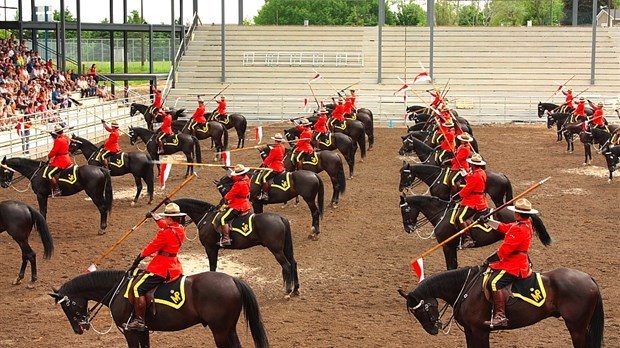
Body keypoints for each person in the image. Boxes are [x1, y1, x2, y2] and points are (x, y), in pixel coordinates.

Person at [125, 203, 187, 331]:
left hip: (163, 268)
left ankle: (139, 320)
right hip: (174, 265)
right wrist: (155, 217)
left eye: (166, 218)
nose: (164, 220)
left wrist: (138, 259)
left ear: (170, 219)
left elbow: (151, 247)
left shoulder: (165, 233)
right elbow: (167, 226)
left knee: (137, 288)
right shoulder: (180, 228)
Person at [482, 198, 539, 328]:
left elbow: (504, 251)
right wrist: (488, 221)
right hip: (517, 260)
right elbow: (505, 227)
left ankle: (500, 316)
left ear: (517, 214)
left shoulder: (519, 229)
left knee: (495, 282)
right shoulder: (525, 224)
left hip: (514, 264)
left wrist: (489, 259)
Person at [455, 153, 488, 249]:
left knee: (459, 218)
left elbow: (467, 189)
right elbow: (471, 181)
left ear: (472, 165)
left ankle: (468, 238)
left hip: (473, 201)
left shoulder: (475, 175)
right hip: (479, 198)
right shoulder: (481, 172)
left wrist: (457, 196)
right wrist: (465, 175)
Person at [215, 164, 252, 246]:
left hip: (238, 205)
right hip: (245, 203)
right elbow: (234, 177)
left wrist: (224, 199)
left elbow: (229, 195)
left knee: (223, 219)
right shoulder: (246, 178)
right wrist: (227, 170)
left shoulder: (238, 184)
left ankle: (226, 238)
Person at [44, 124, 73, 197]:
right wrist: (53, 134)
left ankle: (56, 190)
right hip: (67, 158)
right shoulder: (66, 137)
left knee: (49, 174)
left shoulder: (58, 140)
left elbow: (54, 151)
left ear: (56, 133)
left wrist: (49, 156)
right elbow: (60, 137)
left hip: (61, 160)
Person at [257, 133, 286, 201]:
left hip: (275, 167)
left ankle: (265, 194)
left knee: (264, 178)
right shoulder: (282, 146)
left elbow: (269, 158)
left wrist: (264, 164)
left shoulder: (274, 149)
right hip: (281, 165)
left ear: (275, 141)